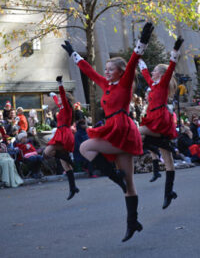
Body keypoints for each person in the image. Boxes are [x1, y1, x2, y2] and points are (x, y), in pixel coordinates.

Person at [62, 22, 154, 242]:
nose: (106, 71)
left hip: (121, 129)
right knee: (129, 184)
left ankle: (116, 177)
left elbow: (132, 62)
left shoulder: (124, 83)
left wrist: (142, 42)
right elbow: (89, 71)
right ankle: (133, 223)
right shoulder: (106, 84)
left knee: (85, 146)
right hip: (114, 128)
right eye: (106, 69)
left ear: (120, 72)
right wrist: (74, 54)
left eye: (111, 69)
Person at [138, 36, 184, 209]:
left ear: (162, 74)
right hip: (153, 117)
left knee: (140, 131)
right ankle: (169, 192)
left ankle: (158, 151)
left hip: (160, 120)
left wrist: (175, 51)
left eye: (155, 71)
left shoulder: (163, 83)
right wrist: (138, 55)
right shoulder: (153, 83)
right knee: (169, 160)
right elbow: (143, 72)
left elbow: (171, 66)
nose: (152, 72)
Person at [44, 77, 79, 200]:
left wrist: (60, 84)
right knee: (65, 165)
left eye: (60, 98)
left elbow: (62, 97)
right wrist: (53, 95)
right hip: (61, 132)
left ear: (66, 99)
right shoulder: (63, 108)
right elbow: (59, 101)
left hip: (64, 134)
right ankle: (73, 187)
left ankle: (69, 159)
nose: (58, 99)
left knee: (47, 152)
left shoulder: (67, 108)